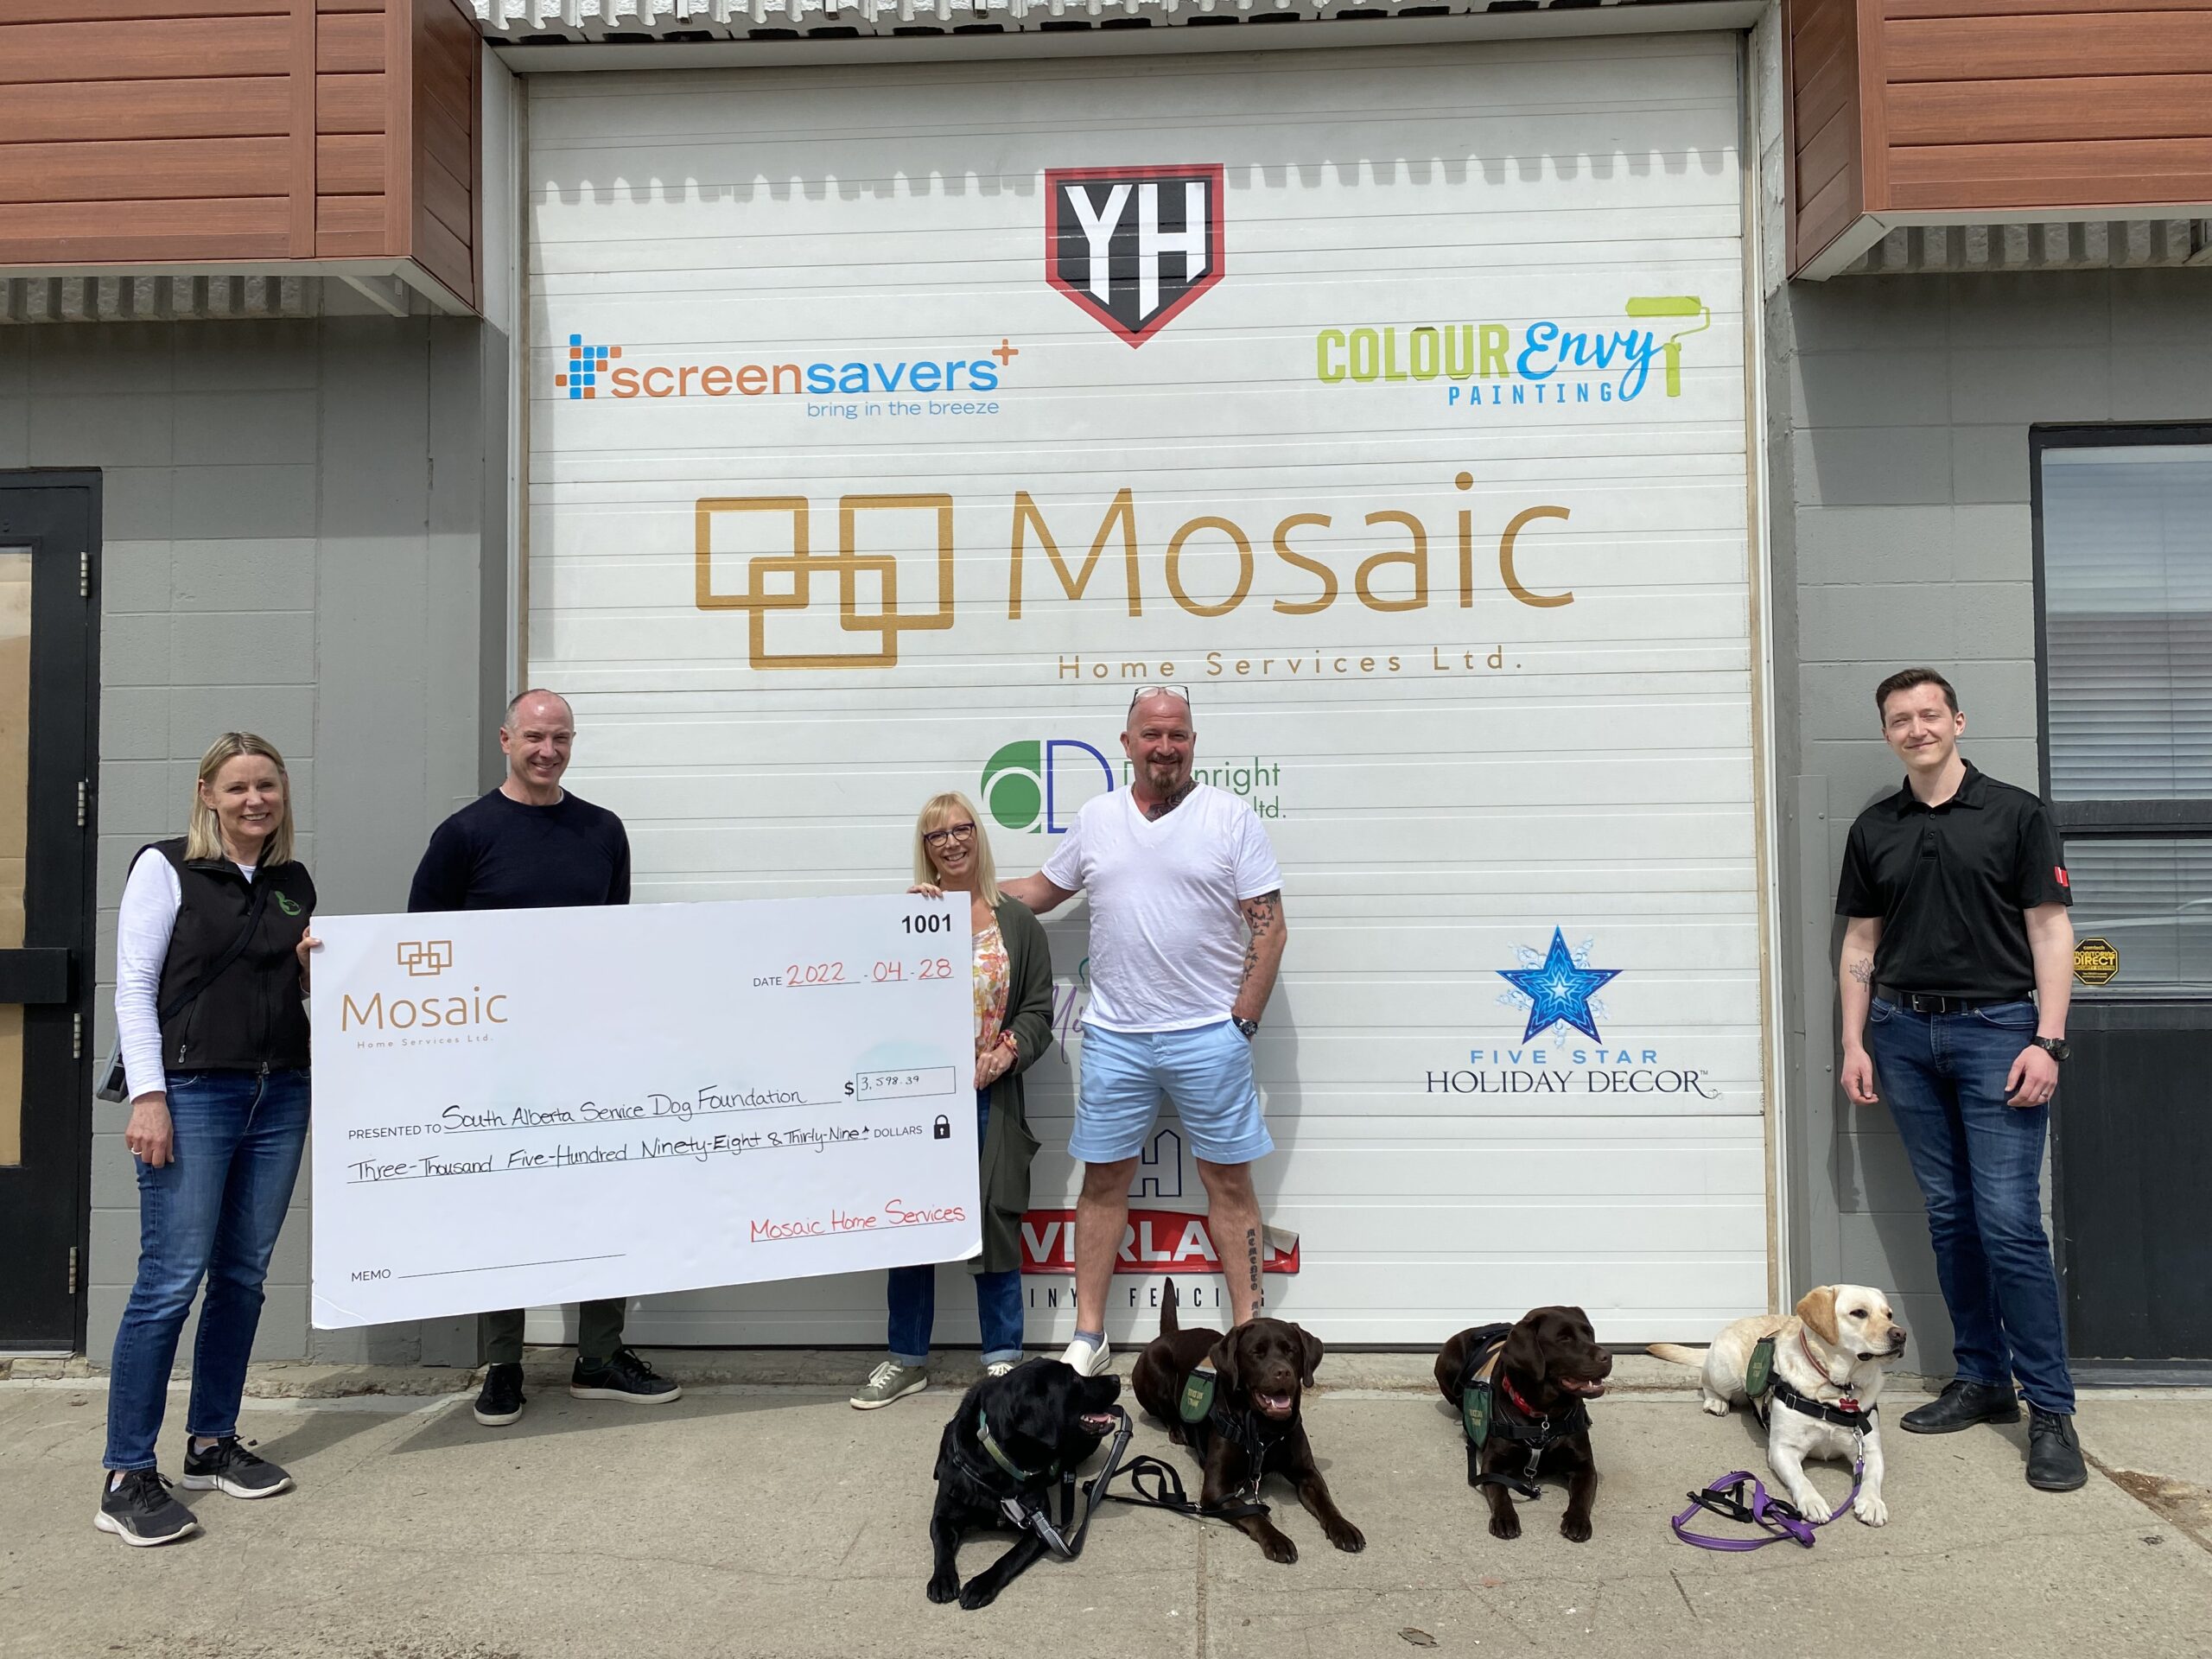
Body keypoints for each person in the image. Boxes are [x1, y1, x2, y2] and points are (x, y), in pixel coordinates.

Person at [1835, 667, 2086, 1493]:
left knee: (2010, 1223)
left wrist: (2048, 1041)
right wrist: (1855, 1042)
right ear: (1888, 734)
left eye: (1929, 714)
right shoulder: (1876, 828)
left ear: (1958, 721)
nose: (1917, 728)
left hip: (1999, 1034)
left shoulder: (2017, 814)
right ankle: (1981, 1380)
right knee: (1951, 1218)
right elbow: (1861, 948)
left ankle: (2051, 1409)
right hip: (1903, 1036)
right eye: (1900, 720)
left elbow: (2052, 933)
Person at [407, 689, 680, 1427]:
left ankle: (600, 1356)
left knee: (600, 1198)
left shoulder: (602, 831)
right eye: (534, 736)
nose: (547, 750)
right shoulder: (462, 836)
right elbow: (420, 954)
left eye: (560, 738)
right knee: (503, 1206)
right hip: (493, 1062)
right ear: (505, 739)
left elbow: (614, 944)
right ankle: (502, 1365)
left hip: (588, 1056)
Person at [999, 687, 1287, 1377]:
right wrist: (959, 897)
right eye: (1152, 734)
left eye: (1178, 735)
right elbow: (1042, 891)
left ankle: (1249, 1335)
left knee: (1229, 1184)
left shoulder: (1230, 817)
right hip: (1116, 1039)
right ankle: (1089, 1337)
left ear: (1193, 743)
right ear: (1126, 742)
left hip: (1207, 1039)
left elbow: (1269, 926)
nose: (1165, 747)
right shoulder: (1097, 818)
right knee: (1103, 1183)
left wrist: (1239, 1023)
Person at [100, 734, 320, 1546]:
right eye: (238, 787)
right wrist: (150, 1096)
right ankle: (126, 1474)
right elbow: (133, 986)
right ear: (207, 794)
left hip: (280, 1092)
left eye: (268, 785)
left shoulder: (294, 883)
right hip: (193, 1095)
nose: (255, 799)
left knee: (243, 1276)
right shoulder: (164, 868)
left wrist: (311, 972)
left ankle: (211, 1443)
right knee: (169, 1281)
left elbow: (297, 988)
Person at [850, 791, 1054, 1408]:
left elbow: (1039, 1009)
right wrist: (902, 927)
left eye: (962, 829)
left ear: (978, 836)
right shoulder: (910, 917)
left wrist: (1008, 1049)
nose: (952, 843)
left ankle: (1001, 1362)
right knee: (913, 1226)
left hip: (990, 1096)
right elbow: (874, 1005)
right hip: (917, 1103)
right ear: (925, 848)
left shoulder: (1015, 921)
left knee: (995, 1222)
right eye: (937, 835)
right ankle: (906, 1358)